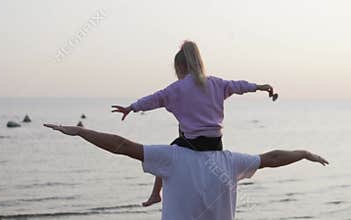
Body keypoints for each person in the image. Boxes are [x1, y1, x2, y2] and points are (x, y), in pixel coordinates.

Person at [111, 40, 278, 206]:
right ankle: (163, 194)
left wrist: (131, 107)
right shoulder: (216, 83)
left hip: (193, 143)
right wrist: (258, 87)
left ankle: (156, 194)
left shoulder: (177, 89)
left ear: (179, 67)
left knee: (167, 154)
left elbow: (154, 99)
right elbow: (238, 86)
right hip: (215, 143)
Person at [44, 124, 328, 220]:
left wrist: (80, 132)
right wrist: (304, 153)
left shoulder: (170, 158)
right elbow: (273, 157)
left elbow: (120, 145)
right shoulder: (231, 161)